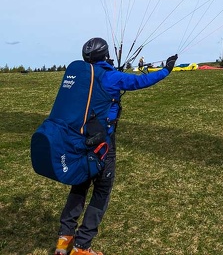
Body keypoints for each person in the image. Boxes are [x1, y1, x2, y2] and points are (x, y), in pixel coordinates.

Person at [54, 38, 178, 255]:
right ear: (105, 55)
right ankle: (82, 246)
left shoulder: (83, 77)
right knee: (102, 189)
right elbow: (140, 81)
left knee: (80, 185)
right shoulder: (112, 77)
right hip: (102, 143)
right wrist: (166, 69)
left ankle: (64, 240)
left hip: (80, 140)